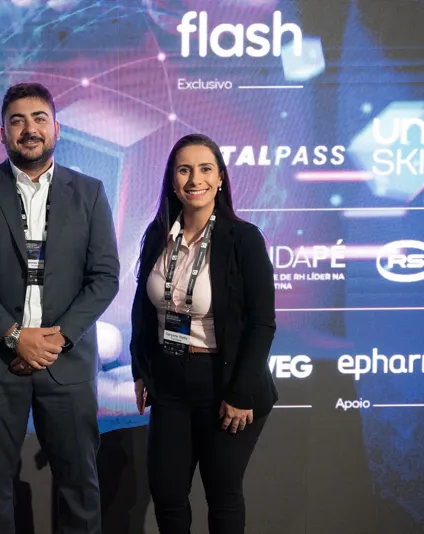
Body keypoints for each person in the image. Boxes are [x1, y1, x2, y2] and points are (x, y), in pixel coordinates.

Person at [0, 82, 120, 534]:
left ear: (57, 128)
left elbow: (104, 278)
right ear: (2, 133)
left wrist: (56, 339)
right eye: (17, 120)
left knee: (79, 491)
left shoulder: (90, 192)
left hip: (66, 362)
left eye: (39, 118)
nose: (29, 129)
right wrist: (15, 336)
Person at [130, 133, 277, 534]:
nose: (195, 179)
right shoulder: (157, 235)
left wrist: (240, 393)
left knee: (222, 496)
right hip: (169, 384)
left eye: (205, 169)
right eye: (184, 170)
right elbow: (143, 310)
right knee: (167, 496)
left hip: (225, 384)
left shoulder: (243, 238)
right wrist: (141, 370)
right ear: (172, 180)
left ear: (221, 178)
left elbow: (262, 323)